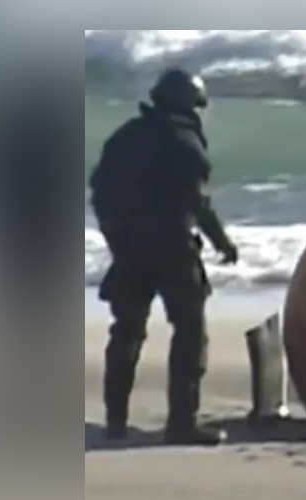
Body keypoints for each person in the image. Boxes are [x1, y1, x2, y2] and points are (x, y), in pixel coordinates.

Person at [89, 68, 239, 445]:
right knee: (190, 333)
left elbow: (99, 192)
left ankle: (116, 422)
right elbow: (197, 201)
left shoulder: (125, 137)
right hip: (173, 250)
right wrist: (222, 242)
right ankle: (182, 423)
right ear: (189, 105)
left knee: (126, 332)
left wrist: (118, 241)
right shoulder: (185, 141)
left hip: (129, 250)